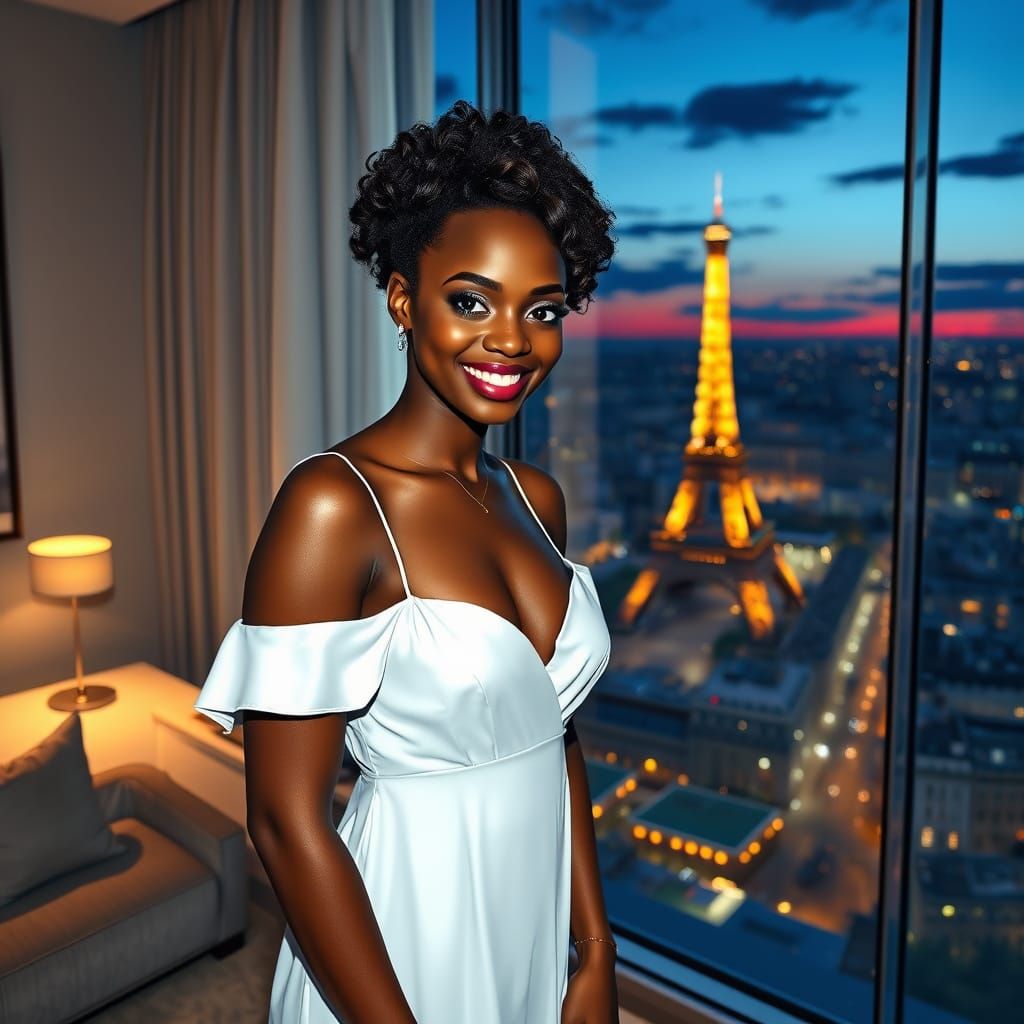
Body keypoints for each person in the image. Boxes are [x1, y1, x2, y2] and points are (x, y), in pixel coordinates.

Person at [193, 99, 619, 1024]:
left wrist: (594, 945)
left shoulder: (535, 497)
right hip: (399, 944)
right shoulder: (333, 506)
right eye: (471, 300)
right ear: (401, 299)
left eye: (540, 310)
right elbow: (284, 819)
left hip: (536, 918)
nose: (510, 339)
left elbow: (554, 734)